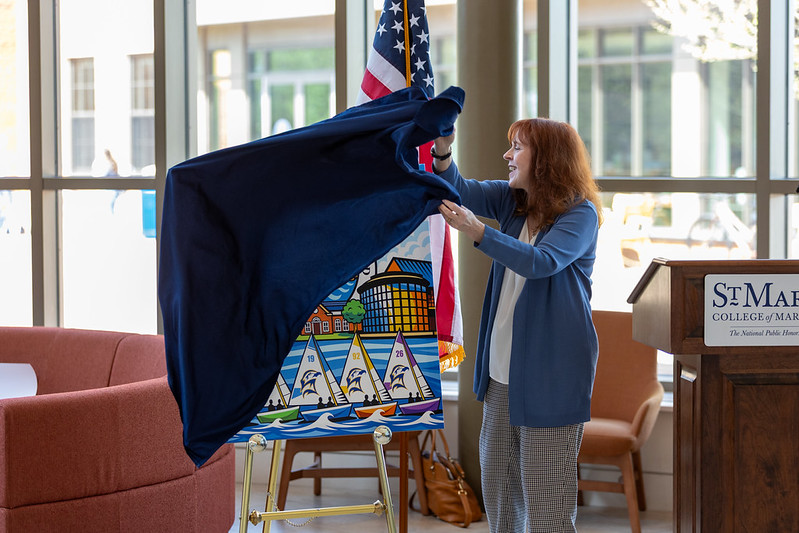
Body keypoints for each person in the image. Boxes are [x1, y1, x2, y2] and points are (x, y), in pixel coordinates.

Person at [431, 118, 602, 532]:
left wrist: (476, 231)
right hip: (500, 376)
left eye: (518, 148)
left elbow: (541, 262)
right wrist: (441, 149)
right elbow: (458, 187)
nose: (507, 156)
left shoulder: (581, 215)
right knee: (501, 501)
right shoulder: (514, 201)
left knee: (546, 510)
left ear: (546, 160)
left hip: (551, 378)